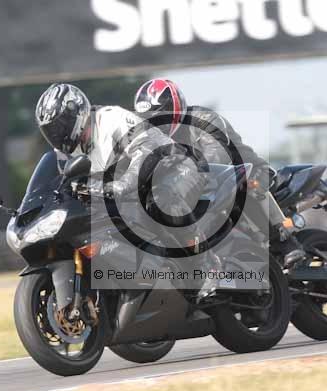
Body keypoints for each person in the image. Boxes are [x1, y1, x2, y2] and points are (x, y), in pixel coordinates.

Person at [35, 83, 218, 299]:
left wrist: (124, 183)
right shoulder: (64, 152)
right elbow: (61, 182)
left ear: (76, 114)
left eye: (60, 126)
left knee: (162, 200)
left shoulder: (111, 119)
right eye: (51, 131)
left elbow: (146, 150)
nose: (58, 134)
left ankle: (206, 266)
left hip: (173, 167)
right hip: (131, 189)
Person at [133, 79, 289, 240]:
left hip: (247, 170)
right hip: (200, 183)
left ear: (175, 109)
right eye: (147, 120)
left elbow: (218, 155)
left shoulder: (204, 119)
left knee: (248, 184)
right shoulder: (147, 137)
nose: (155, 124)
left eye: (159, 117)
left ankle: (284, 241)